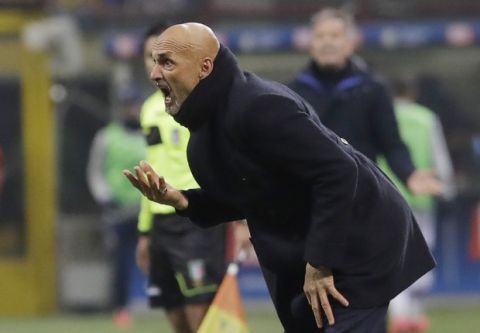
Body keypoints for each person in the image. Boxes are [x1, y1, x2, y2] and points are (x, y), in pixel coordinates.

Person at [123, 22, 436, 333]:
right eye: (154, 61)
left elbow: (338, 172)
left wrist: (319, 262)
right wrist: (182, 200)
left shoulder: (259, 107)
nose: (154, 74)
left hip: (357, 243)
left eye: (166, 62)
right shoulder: (204, 137)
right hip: (307, 253)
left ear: (204, 68)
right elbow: (249, 196)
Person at [135, 22, 228, 333]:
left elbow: (225, 160)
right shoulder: (149, 109)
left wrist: (240, 222)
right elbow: (153, 165)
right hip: (161, 222)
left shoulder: (200, 103)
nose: (156, 66)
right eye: (151, 57)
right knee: (175, 314)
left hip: (194, 218)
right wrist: (146, 231)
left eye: (165, 59)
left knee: (200, 313)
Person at [288, 8, 442, 196]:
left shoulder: (373, 89)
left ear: (351, 43)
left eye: (335, 36)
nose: (327, 42)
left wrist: (409, 174)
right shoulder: (293, 93)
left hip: (359, 194)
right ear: (311, 44)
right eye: (320, 36)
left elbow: (391, 144)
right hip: (310, 195)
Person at [378, 78, 456, 333]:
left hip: (388, 198)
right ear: (412, 93)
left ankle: (400, 318)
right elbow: (440, 157)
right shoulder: (426, 118)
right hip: (422, 197)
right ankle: (414, 317)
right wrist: (446, 188)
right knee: (423, 256)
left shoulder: (382, 116)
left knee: (392, 258)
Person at [87, 86, 146, 328]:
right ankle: (121, 308)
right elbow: (95, 171)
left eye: (135, 105)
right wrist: (105, 196)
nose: (131, 110)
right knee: (120, 261)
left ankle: (162, 301)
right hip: (117, 211)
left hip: (145, 210)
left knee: (152, 257)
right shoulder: (106, 136)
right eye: (128, 106)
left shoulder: (148, 135)